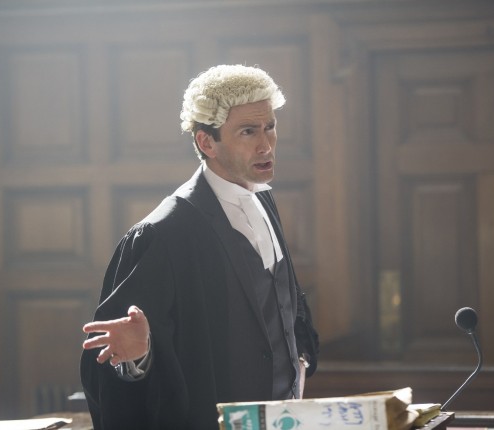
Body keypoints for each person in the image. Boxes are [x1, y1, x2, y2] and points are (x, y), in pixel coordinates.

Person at [80, 64, 319, 430]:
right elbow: (110, 360)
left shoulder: (264, 201)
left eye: (270, 127)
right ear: (207, 142)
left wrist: (300, 359)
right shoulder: (163, 233)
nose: (266, 144)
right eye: (248, 131)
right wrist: (139, 357)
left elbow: (283, 303)